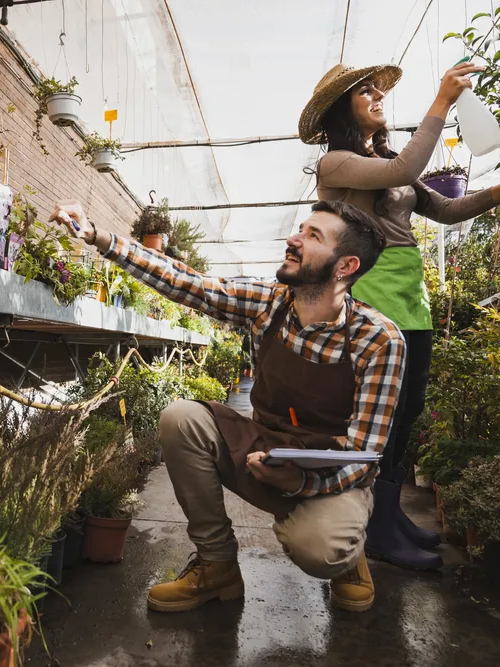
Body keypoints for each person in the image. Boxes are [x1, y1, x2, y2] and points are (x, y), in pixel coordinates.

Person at [49, 198, 404, 613]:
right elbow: (189, 283)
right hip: (265, 447)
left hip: (326, 469)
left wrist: (301, 484)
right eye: (300, 229)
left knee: (321, 549)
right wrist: (98, 235)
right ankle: (216, 566)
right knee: (181, 419)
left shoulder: (379, 339)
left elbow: (365, 456)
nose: (293, 239)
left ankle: (348, 552)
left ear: (345, 266)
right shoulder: (270, 303)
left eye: (312, 236)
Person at [299, 62, 500, 570]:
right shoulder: (336, 164)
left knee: (409, 409)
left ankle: (391, 515)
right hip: (374, 293)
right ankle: (378, 527)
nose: (376, 95)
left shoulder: (385, 157)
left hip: (411, 294)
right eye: (364, 91)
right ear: (342, 109)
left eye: (376, 89)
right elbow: (402, 173)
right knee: (385, 415)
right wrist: (442, 101)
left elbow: (446, 210)